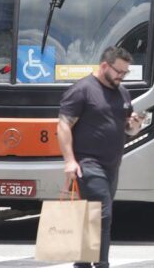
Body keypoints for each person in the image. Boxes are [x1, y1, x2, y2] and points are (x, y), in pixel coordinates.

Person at [57, 47, 144, 268]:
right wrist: (69, 161)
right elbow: (64, 126)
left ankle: (83, 264)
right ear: (105, 65)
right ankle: (101, 264)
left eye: (125, 73)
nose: (121, 76)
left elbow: (128, 129)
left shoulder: (122, 92)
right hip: (88, 163)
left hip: (111, 165)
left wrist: (134, 125)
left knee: (92, 215)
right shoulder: (83, 90)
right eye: (119, 71)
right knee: (102, 212)